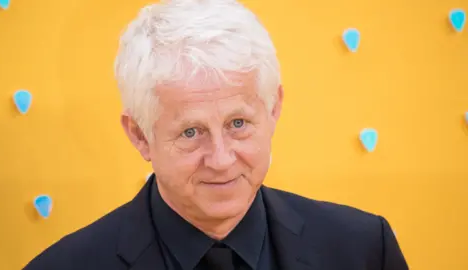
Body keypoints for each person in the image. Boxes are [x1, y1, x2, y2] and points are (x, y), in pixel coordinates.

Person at [23, 0, 409, 269]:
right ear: (140, 136)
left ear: (273, 109)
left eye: (238, 124)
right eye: (191, 132)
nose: (222, 160)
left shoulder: (363, 250)